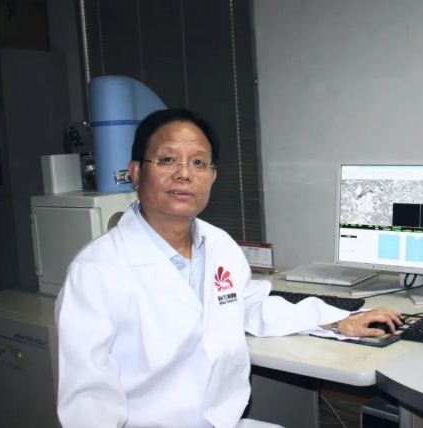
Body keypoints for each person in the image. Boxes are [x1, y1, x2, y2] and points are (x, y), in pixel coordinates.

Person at [55, 108, 402, 428]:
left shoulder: (218, 244)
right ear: (136, 172)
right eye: (167, 159)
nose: (184, 174)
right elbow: (88, 407)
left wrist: (337, 321)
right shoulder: (95, 272)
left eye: (198, 163)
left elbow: (250, 306)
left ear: (212, 176)